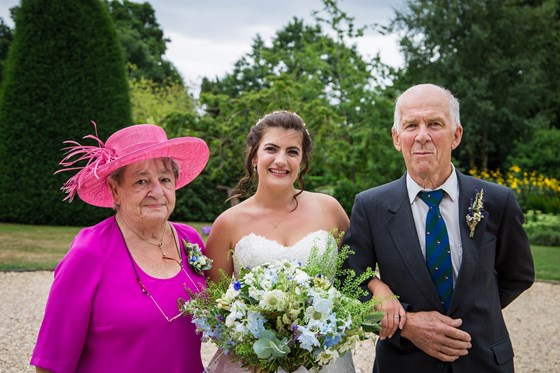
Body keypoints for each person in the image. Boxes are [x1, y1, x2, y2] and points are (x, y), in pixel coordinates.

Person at [342, 83, 535, 372]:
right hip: (403, 363)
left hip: (483, 360)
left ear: (455, 135)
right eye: (411, 125)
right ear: (397, 138)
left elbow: (518, 275)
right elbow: (347, 277)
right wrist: (405, 323)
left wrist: (477, 312)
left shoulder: (497, 200)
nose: (422, 136)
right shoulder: (371, 206)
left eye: (434, 124)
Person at [204, 110, 401, 372]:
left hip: (324, 361)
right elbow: (213, 307)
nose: (281, 160)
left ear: (302, 160)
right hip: (252, 365)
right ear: (254, 155)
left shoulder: (329, 209)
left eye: (292, 152)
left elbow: (355, 270)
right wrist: (253, 350)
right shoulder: (228, 223)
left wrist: (379, 287)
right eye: (271, 149)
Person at [30, 123, 210, 373]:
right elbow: (50, 363)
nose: (156, 191)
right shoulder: (90, 252)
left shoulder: (190, 240)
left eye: (165, 179)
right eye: (141, 181)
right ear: (115, 190)